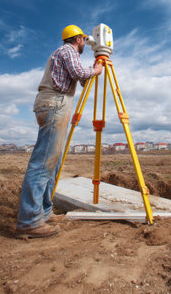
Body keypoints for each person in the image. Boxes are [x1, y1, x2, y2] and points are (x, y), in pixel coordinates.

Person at [15, 25, 103, 238]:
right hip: (54, 103)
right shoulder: (67, 51)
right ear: (79, 39)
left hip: (56, 103)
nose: (85, 43)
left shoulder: (68, 54)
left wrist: (92, 69)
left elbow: (81, 79)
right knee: (43, 162)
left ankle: (43, 212)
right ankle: (29, 221)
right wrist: (96, 70)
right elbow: (79, 73)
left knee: (52, 163)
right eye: (84, 40)